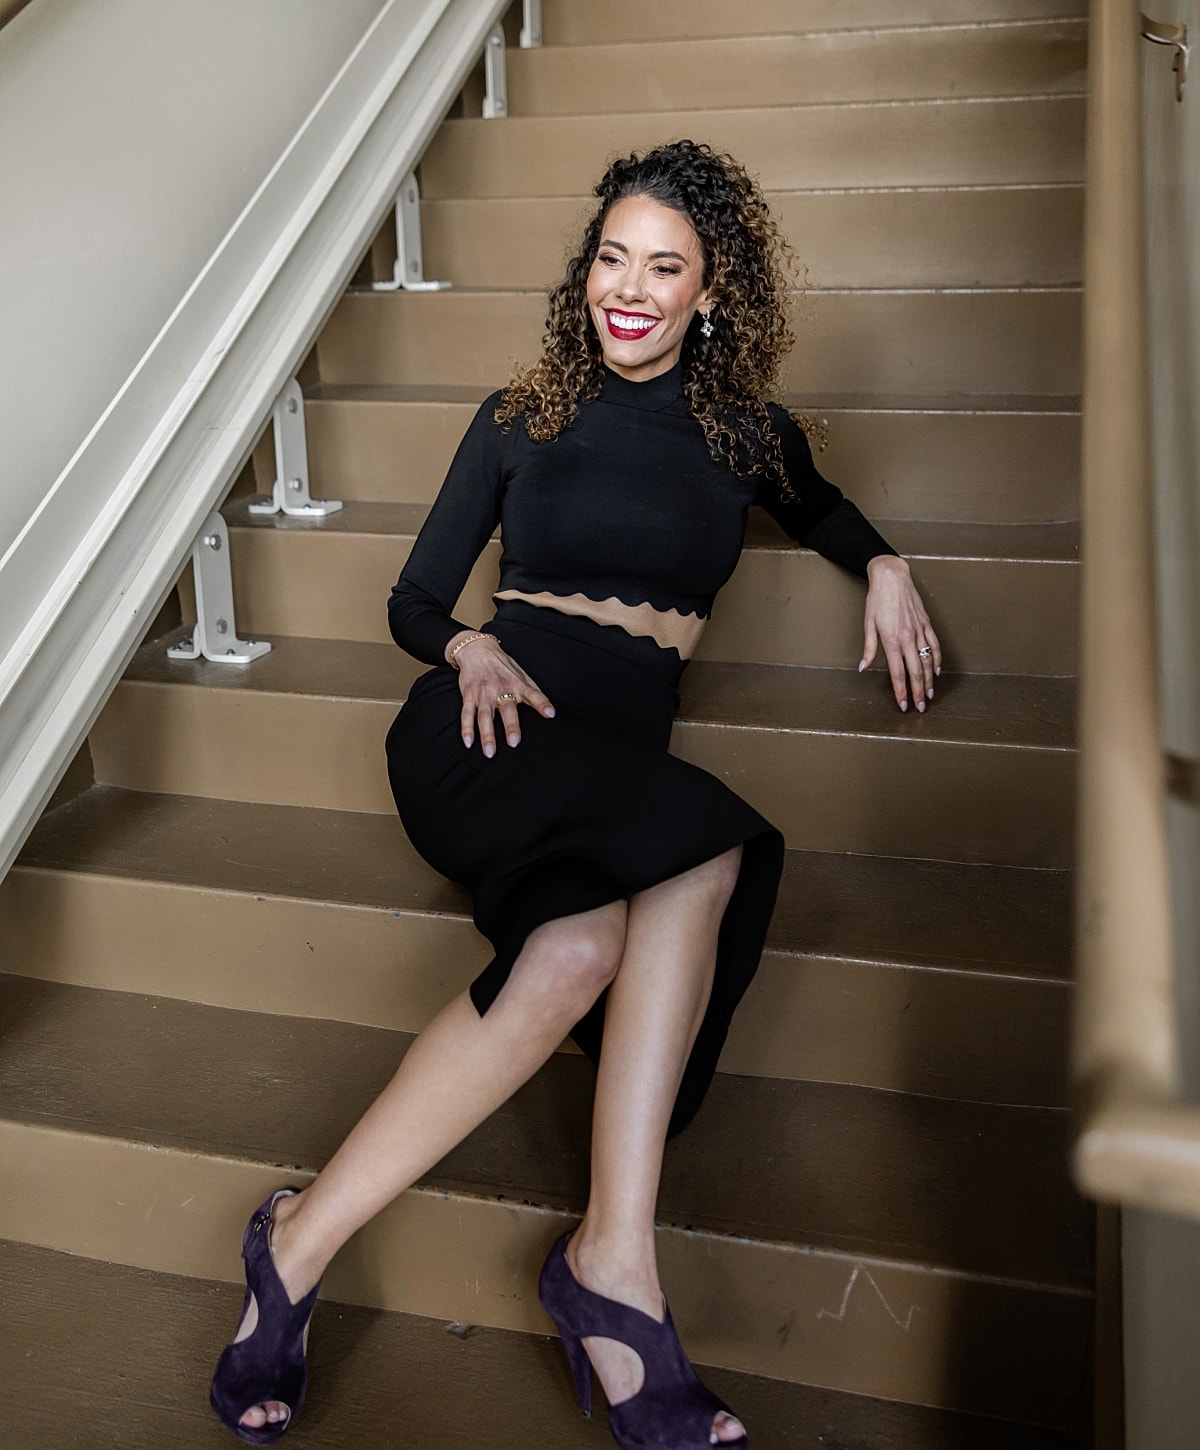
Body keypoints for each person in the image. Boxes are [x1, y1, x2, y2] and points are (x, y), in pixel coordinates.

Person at [209, 138, 941, 1449]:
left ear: (711, 294)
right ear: (587, 268)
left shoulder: (748, 437)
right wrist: (469, 645)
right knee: (702, 854)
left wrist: (883, 566)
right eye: (613, 256)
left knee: (583, 942)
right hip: (487, 720)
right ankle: (611, 1271)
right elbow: (415, 599)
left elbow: (828, 512)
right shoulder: (520, 415)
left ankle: (303, 1242)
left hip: (615, 757)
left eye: (665, 267)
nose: (631, 288)